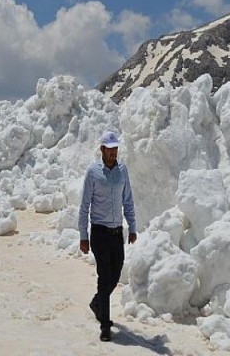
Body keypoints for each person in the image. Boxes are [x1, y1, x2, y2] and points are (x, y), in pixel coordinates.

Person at [78, 130, 137, 342]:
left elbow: (128, 200)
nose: (114, 153)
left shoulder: (122, 171)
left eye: (116, 149)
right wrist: (83, 236)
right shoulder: (93, 172)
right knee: (104, 276)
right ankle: (105, 324)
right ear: (102, 149)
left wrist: (132, 227)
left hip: (116, 233)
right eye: (110, 150)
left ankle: (97, 302)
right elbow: (84, 206)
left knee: (115, 273)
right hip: (100, 232)